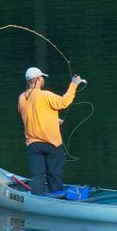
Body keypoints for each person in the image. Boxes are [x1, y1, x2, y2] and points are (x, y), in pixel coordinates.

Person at [18, 67, 82, 195]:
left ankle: (36, 202)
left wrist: (53, 119)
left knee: (37, 176)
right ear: (39, 79)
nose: (43, 80)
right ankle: (56, 201)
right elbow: (64, 102)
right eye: (42, 78)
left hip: (33, 145)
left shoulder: (21, 98)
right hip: (52, 144)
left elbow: (29, 115)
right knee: (54, 176)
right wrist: (74, 85)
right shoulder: (45, 95)